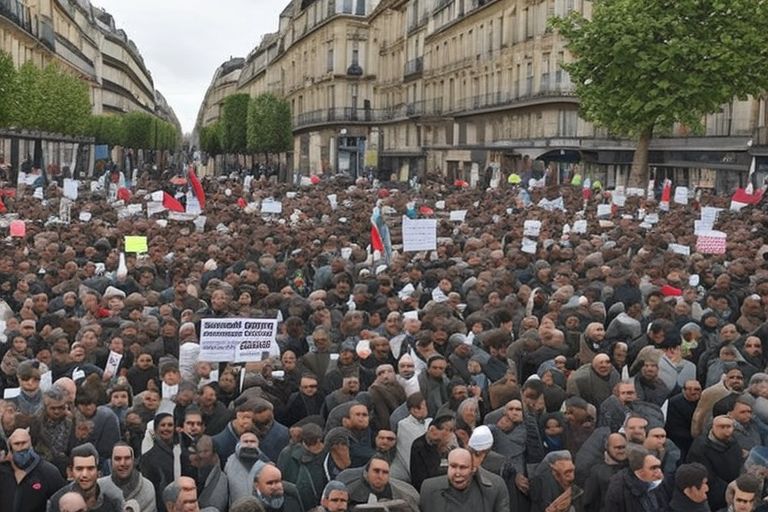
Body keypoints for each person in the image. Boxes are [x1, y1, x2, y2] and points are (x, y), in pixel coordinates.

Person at [419, 448, 509, 512]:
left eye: (463, 467)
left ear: (473, 469)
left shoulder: (495, 487)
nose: (457, 473)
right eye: (453, 466)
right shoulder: (429, 489)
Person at [0, 428, 66, 512]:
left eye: (24, 443)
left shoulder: (48, 471)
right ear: (10, 447)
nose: (21, 448)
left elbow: (62, 502)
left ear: (31, 444)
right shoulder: (3, 470)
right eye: (17, 444)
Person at [687, 415, 743, 511]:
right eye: (722, 427)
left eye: (729, 426)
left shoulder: (733, 442)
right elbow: (708, 479)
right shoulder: (700, 448)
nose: (726, 430)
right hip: (715, 498)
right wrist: (733, 490)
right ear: (713, 427)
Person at [47, 443, 124, 512]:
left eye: (90, 468)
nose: (85, 474)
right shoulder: (57, 500)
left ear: (99, 472)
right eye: (79, 469)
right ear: (70, 472)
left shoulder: (112, 502)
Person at [603, 447, 669, 512]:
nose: (659, 472)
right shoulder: (618, 489)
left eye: (659, 467)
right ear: (639, 471)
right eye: (653, 468)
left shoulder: (660, 483)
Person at [345, 454, 419, 512]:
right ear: (367, 472)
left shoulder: (402, 496)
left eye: (385, 472)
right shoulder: (350, 493)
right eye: (376, 471)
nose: (380, 476)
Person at [97, 443, 157, 512]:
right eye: (118, 459)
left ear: (133, 461)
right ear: (111, 462)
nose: (122, 463)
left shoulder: (147, 487)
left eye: (127, 458)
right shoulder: (99, 487)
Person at [225, 431, 271, 506]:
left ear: (258, 444)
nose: (249, 444)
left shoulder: (266, 466)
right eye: (245, 441)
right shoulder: (229, 463)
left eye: (252, 441)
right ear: (238, 443)